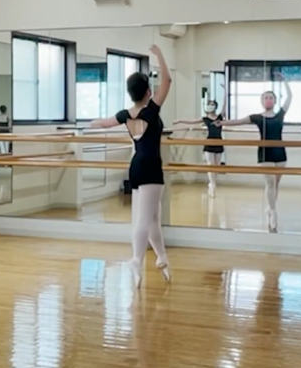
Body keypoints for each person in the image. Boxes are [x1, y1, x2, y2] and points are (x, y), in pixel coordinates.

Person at [88, 44, 173, 287]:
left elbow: (102, 123)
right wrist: (159, 54)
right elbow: (167, 79)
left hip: (136, 166)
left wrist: (86, 124)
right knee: (144, 219)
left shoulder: (125, 114)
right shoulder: (151, 110)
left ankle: (161, 257)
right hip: (151, 168)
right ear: (147, 91)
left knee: (153, 216)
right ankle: (136, 259)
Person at [217, 75, 292, 232]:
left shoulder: (280, 115)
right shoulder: (257, 117)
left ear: (275, 101)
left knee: (276, 183)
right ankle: (273, 212)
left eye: (271, 97)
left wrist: (284, 80)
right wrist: (221, 122)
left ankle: (270, 207)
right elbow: (238, 121)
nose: (268, 100)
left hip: (280, 152)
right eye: (266, 98)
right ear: (262, 101)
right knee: (270, 183)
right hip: (265, 153)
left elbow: (290, 96)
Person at [174, 98, 225, 198]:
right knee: (210, 165)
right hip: (209, 143)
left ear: (215, 107)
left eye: (212, 104)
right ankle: (213, 185)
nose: (210, 106)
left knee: (217, 166)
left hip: (219, 143)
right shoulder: (205, 119)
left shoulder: (219, 117)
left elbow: (224, 107)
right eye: (209, 104)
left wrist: (225, 94)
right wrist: (180, 120)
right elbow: (192, 121)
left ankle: (212, 183)